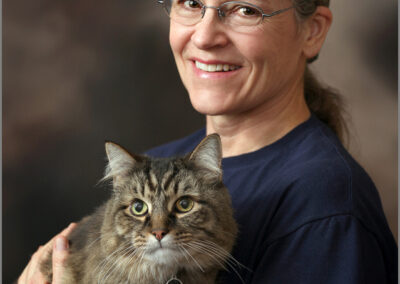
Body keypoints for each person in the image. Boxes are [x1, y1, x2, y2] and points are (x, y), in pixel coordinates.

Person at [19, 0, 397, 283]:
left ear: (312, 31)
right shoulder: (157, 162)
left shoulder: (325, 205)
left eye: (245, 10)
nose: (204, 36)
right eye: (191, 3)